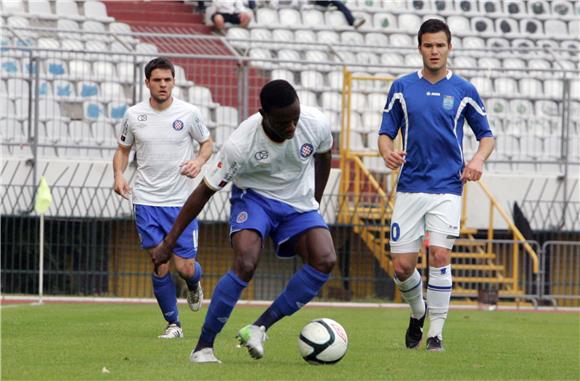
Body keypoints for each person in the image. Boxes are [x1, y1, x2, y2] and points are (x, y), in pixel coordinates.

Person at [150, 79, 336, 363]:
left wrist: (315, 204)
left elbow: (324, 157)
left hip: (298, 202)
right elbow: (203, 193)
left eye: (295, 119)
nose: (292, 128)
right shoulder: (240, 144)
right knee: (246, 262)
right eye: (284, 122)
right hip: (254, 199)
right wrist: (168, 242)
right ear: (264, 115)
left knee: (325, 258)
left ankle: (260, 327)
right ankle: (203, 347)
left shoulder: (315, 123)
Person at [378, 19, 495, 352]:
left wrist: (476, 161)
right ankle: (419, 311)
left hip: (447, 187)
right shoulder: (401, 87)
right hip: (410, 186)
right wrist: (387, 152)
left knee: (440, 254)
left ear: (449, 47)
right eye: (428, 45)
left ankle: (436, 334)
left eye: (440, 45)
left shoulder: (464, 90)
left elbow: (486, 136)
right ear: (420, 48)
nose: (434, 51)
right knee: (402, 267)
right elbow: (385, 133)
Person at [113, 57, 214, 339]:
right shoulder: (134, 115)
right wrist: (119, 176)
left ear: (173, 82)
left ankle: (193, 284)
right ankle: (174, 324)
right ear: (147, 83)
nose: (163, 85)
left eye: (167, 80)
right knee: (160, 262)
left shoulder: (189, 113)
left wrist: (198, 161)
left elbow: (207, 144)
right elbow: (122, 150)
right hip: (146, 200)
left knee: (185, 267)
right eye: (157, 80)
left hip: (182, 202)